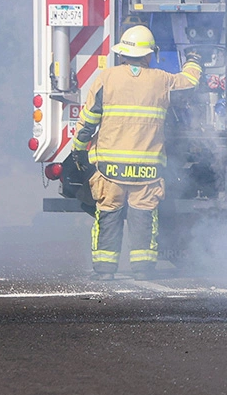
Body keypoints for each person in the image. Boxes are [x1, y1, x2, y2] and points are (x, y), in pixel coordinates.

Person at [71, 25, 202, 280]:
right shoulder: (162, 80)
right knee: (143, 216)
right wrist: (194, 60)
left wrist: (77, 149)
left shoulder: (105, 79)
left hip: (109, 169)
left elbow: (88, 121)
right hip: (146, 170)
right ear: (149, 55)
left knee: (108, 214)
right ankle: (142, 270)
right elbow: (190, 84)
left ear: (122, 54)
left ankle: (105, 270)